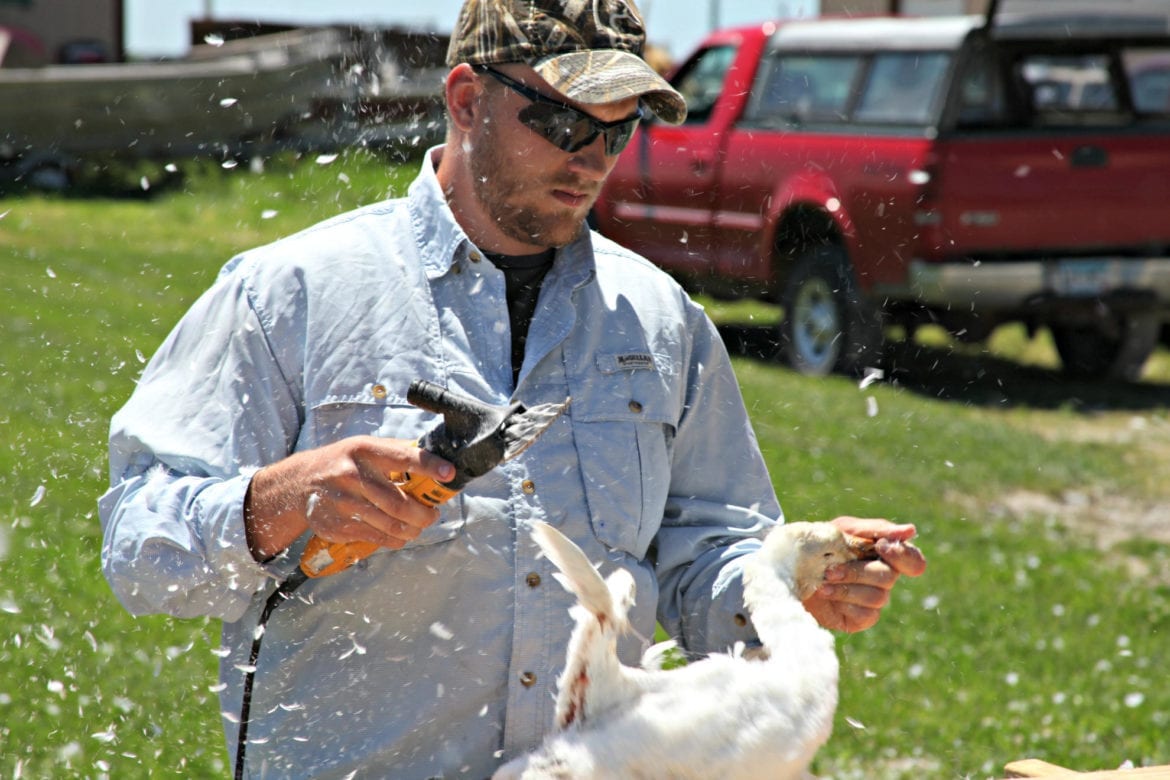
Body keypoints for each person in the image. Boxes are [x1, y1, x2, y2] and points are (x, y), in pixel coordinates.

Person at [99, 1, 927, 777]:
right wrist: (281, 500)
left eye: (618, 130)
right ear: (465, 99)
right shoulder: (290, 294)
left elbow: (706, 556)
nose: (593, 160)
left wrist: (791, 579)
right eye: (564, 123)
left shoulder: (661, 321)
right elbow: (138, 546)